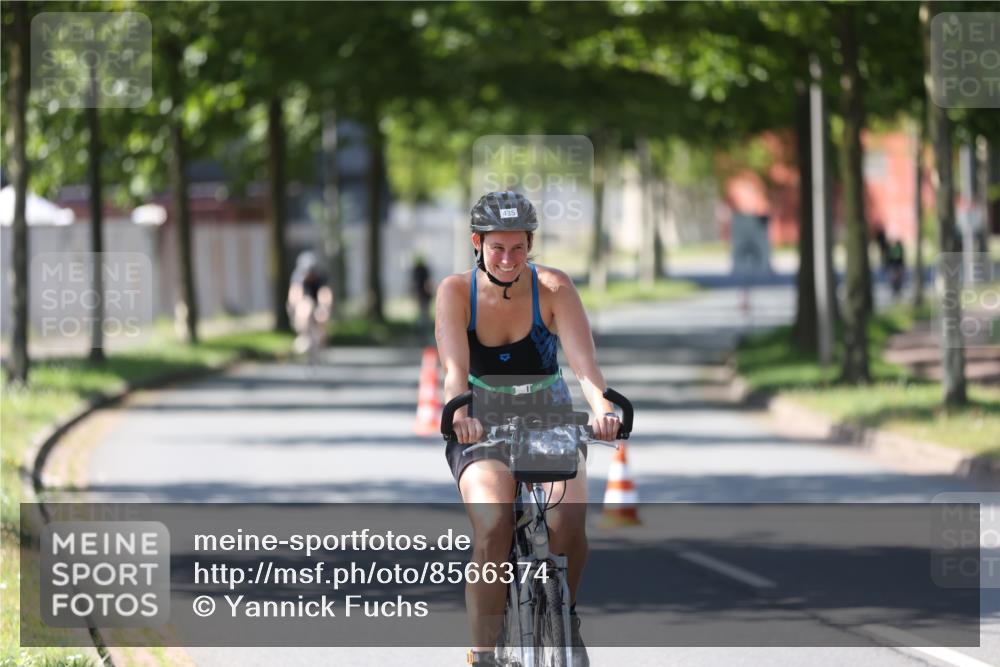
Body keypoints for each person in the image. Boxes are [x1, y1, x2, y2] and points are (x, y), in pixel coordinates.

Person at [435, 191, 621, 667]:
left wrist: (604, 410)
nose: (508, 258)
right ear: (477, 242)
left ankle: (565, 615)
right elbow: (454, 370)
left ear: (530, 244)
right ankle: (483, 653)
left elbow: (586, 369)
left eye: (518, 248)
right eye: (497, 247)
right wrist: (460, 417)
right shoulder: (455, 292)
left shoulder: (554, 287)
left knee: (569, 524)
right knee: (494, 525)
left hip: (549, 412)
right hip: (479, 417)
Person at [287, 251, 333, 361]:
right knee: (304, 308)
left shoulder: (320, 276)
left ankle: (321, 339)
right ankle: (303, 334)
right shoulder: (298, 276)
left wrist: (324, 308)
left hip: (317, 300)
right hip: (304, 301)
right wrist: (295, 307)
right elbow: (295, 294)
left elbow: (325, 293)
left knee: (322, 316)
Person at [411, 255, 434, 342]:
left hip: (420, 295)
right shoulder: (423, 269)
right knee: (424, 314)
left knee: (422, 314)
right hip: (423, 295)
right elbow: (427, 283)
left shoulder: (417, 270)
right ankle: (423, 333)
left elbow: (415, 283)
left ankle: (422, 333)